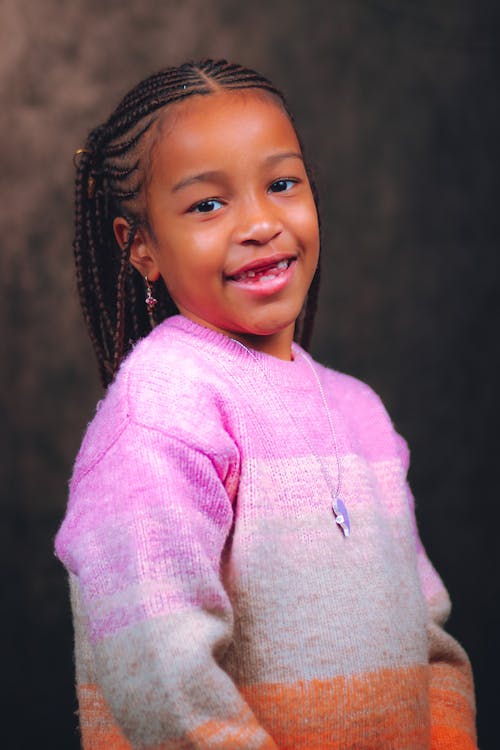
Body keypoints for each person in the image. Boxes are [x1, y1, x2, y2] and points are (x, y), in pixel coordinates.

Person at [55, 59, 477, 749]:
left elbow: (429, 637)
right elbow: (161, 674)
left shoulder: (360, 411)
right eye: (207, 204)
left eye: (281, 184)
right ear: (140, 249)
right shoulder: (164, 406)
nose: (259, 223)